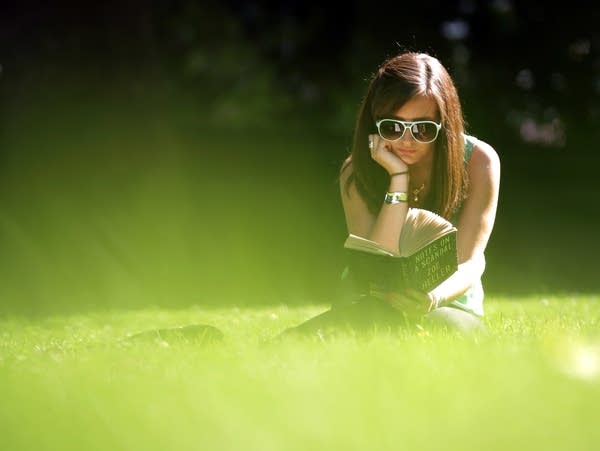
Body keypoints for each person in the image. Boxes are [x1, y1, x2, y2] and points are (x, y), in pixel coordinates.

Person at [280, 50, 501, 338]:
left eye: (422, 129)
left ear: (444, 126)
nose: (406, 140)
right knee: (371, 323)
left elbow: (470, 262)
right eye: (393, 127)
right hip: (369, 298)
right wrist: (398, 179)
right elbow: (375, 264)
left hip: (449, 301)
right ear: (375, 124)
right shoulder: (356, 171)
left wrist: (431, 299)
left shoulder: (479, 161)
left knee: (448, 332)